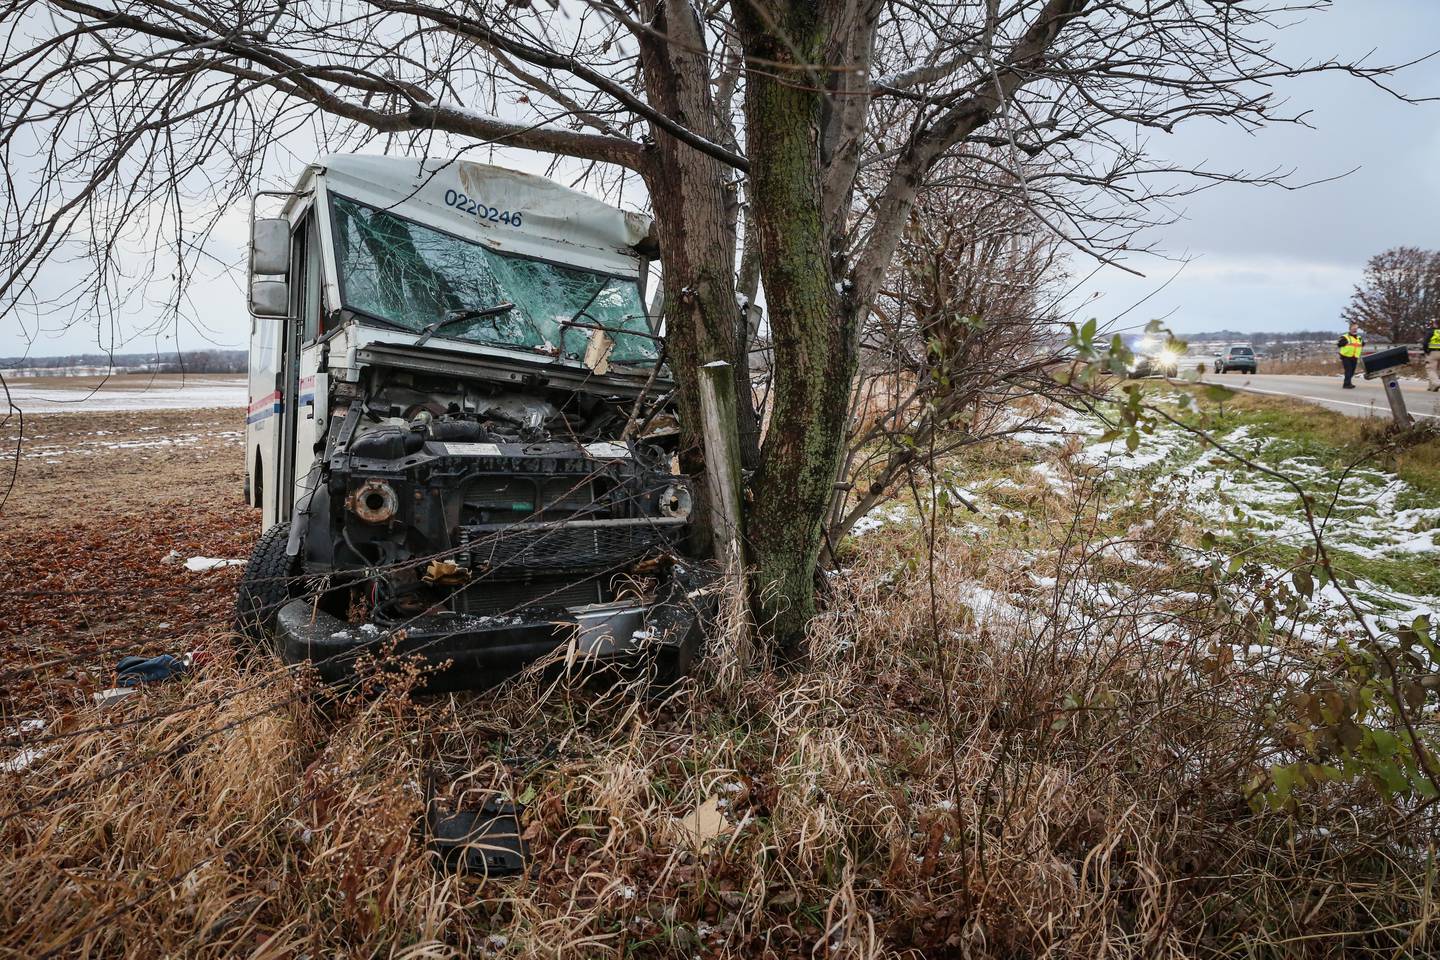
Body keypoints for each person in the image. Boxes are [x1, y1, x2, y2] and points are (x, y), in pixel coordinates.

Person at [1337, 323, 1363, 389]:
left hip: (1354, 357)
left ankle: (1348, 383)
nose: (1355, 330)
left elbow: (1362, 344)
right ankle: (1346, 384)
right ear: (1350, 329)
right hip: (1346, 356)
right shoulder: (1345, 337)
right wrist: (1343, 343)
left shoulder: (1359, 338)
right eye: (1353, 328)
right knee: (1348, 370)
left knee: (1352, 371)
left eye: (1356, 328)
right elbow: (1339, 344)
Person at [1426, 321, 1440, 392]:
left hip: (1433, 352)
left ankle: (1437, 383)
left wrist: (1426, 351)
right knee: (1437, 370)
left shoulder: (1431, 332)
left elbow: (1425, 342)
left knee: (1430, 369)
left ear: (1435, 324)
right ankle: (1432, 387)